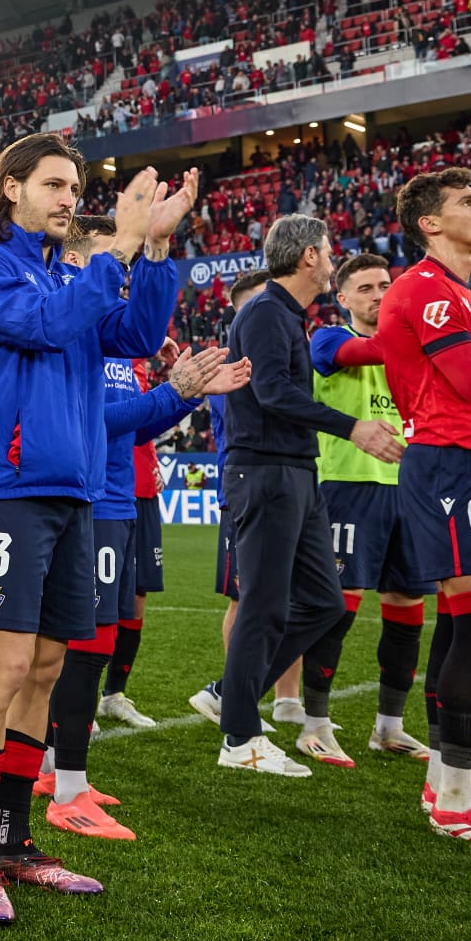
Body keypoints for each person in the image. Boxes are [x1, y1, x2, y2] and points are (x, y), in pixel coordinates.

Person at [0, 136, 188, 925]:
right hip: (6, 485)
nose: (67, 196)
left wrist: (153, 247)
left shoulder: (67, 271)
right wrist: (115, 246)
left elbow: (138, 337)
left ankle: (14, 842)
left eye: (75, 185)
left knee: (47, 665)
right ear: (10, 188)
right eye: (53, 183)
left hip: (74, 493)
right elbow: (47, 326)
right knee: (5, 662)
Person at [37, 216, 248, 842]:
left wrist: (183, 396)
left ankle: (61, 772)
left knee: (96, 639)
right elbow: (97, 419)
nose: (118, 274)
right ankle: (61, 783)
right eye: (111, 258)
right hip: (89, 500)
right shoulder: (68, 320)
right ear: (77, 260)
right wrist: (175, 392)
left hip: (118, 501)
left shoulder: (113, 340)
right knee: (79, 646)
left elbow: (127, 425)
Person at [361, 167, 471, 846]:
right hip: (449, 461)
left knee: (467, 621)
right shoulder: (424, 290)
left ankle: (446, 780)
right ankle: (454, 797)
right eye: (468, 201)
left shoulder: (470, 296)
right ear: (430, 222)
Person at [213, 215, 403, 778]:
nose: (331, 255)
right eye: (327, 250)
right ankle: (240, 736)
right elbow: (271, 393)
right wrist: (353, 428)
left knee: (321, 602)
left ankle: (231, 694)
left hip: (295, 473)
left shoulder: (285, 315)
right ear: (308, 259)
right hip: (266, 472)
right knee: (266, 605)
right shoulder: (267, 312)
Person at [305, 253, 436, 763]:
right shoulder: (328, 338)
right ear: (343, 298)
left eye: (386, 285)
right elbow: (366, 354)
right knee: (337, 606)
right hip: (350, 485)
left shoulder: (408, 347)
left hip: (410, 490)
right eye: (365, 288)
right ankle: (315, 724)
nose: (379, 294)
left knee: (407, 607)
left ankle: (389, 727)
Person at [189, 269, 277, 723]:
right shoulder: (227, 369)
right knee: (245, 598)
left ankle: (277, 698)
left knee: (279, 597)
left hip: (279, 486)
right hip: (245, 488)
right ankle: (230, 694)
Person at [98, 353, 166, 729]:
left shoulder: (136, 361)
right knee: (96, 600)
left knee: (137, 597)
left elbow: (142, 427)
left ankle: (114, 694)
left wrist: (152, 465)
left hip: (140, 490)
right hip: (106, 494)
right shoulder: (101, 345)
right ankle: (77, 697)